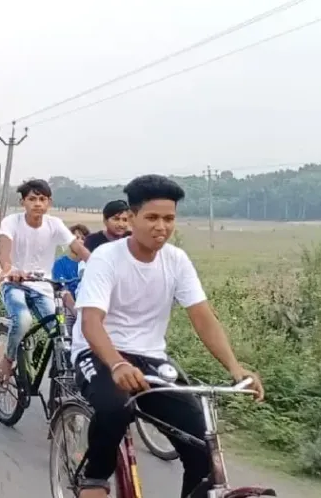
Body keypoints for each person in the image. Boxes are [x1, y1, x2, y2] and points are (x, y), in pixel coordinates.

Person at [73, 174, 264, 497]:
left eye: (169, 218)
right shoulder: (107, 258)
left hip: (150, 358)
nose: (161, 227)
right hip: (99, 352)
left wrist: (235, 368)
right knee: (116, 407)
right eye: (152, 217)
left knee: (203, 446)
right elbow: (91, 322)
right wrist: (117, 364)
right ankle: (95, 480)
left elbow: (203, 318)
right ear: (131, 217)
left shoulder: (177, 260)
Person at [0, 179, 90, 382]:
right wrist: (10, 269)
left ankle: (58, 374)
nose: (37, 203)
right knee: (23, 320)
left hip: (43, 286)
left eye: (42, 199)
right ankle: (8, 359)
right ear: (23, 202)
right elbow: (4, 251)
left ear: (49, 202)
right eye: (32, 199)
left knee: (59, 330)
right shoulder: (11, 222)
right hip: (14, 283)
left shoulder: (54, 224)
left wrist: (98, 266)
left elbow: (78, 248)